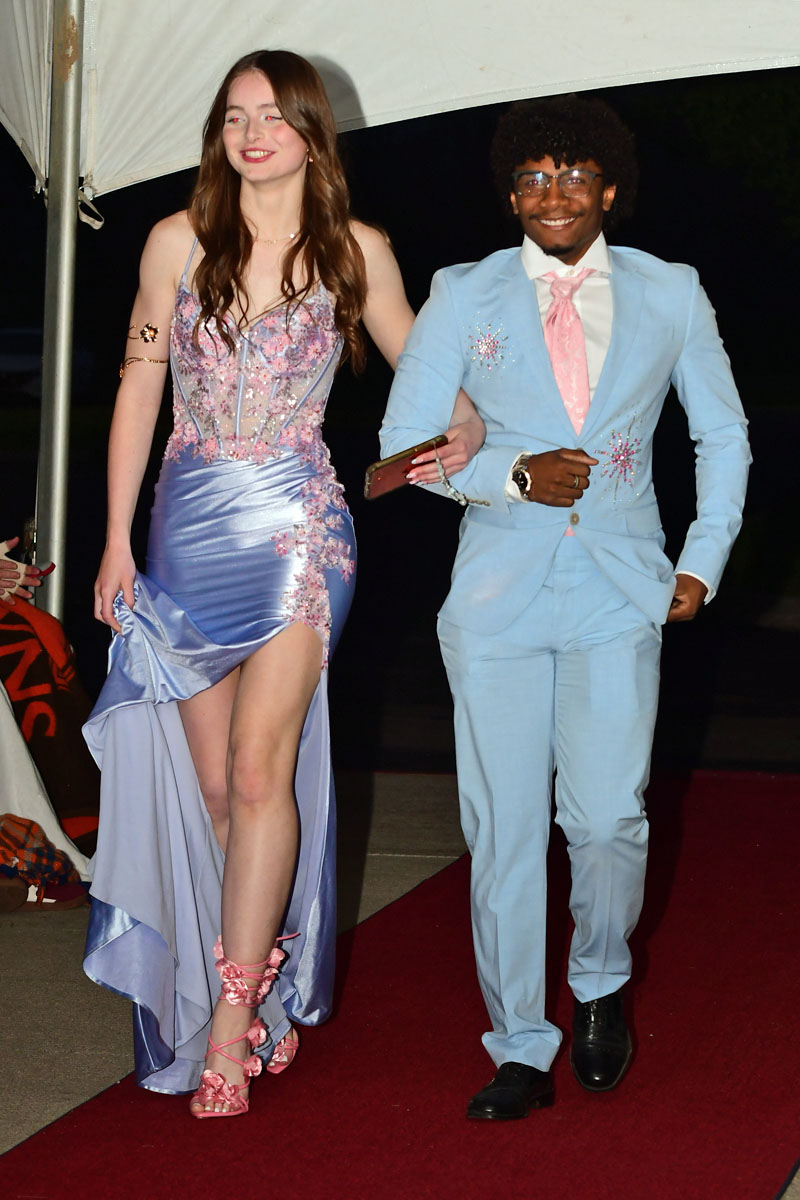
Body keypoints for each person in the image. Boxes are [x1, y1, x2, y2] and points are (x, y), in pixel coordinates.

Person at [86, 48, 483, 1119]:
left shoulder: (358, 252)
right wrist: (115, 540)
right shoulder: (176, 241)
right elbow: (136, 389)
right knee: (217, 789)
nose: (251, 132)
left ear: (312, 131)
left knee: (261, 779)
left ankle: (229, 1029)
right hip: (182, 533)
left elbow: (438, 386)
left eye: (272, 115)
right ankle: (261, 956)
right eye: (233, 116)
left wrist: (438, 445)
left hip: (299, 536)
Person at [380, 94, 750, 1119]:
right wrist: (505, 476)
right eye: (533, 179)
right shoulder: (463, 292)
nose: (553, 195)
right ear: (510, 192)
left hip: (620, 589)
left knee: (603, 820)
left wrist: (700, 559)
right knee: (501, 827)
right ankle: (516, 1044)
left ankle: (597, 985)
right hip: (496, 595)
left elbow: (719, 436)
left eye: (573, 176)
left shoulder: (669, 292)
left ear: (608, 190)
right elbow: (400, 449)